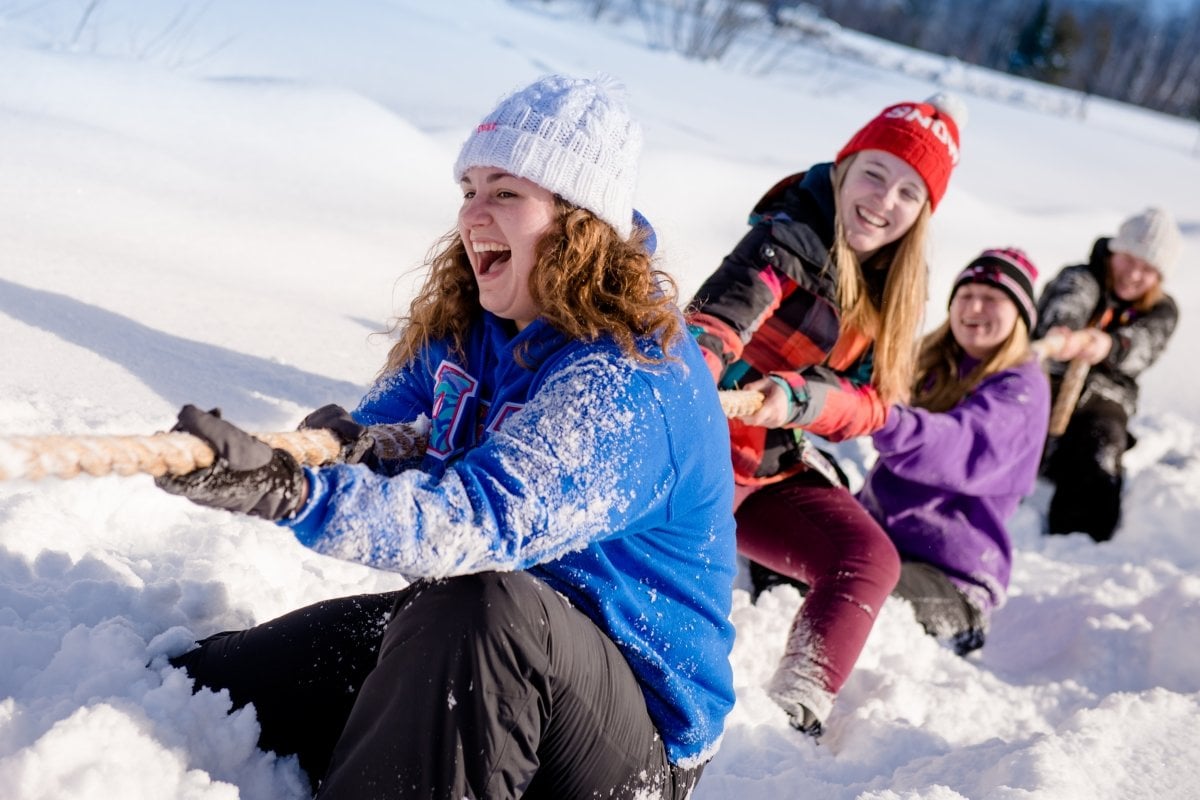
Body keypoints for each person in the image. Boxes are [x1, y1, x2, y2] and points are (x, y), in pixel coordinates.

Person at [156, 74, 737, 799]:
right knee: (207, 688)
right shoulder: (474, 321)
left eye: (506, 192)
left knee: (484, 606)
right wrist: (345, 450)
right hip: (477, 638)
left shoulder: (630, 377)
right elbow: (382, 432)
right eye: (468, 188)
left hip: (624, 734)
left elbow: (479, 523)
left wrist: (290, 493)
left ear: (577, 220)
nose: (473, 214)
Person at [687, 93, 965, 735]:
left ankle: (798, 701)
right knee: (679, 574)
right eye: (874, 173)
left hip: (769, 462)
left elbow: (874, 404)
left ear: (923, 212)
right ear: (843, 166)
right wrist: (697, 368)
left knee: (867, 558)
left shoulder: (892, 287)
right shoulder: (785, 239)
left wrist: (801, 397)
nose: (883, 201)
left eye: (907, 192)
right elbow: (717, 322)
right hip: (700, 450)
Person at [858, 248, 1050, 655]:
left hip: (950, 582)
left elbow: (960, 443)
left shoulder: (1022, 390)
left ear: (1020, 315)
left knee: (849, 593)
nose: (974, 307)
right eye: (965, 295)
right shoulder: (930, 363)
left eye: (992, 298)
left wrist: (885, 420)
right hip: (881, 542)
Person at [1035, 207, 1181, 542]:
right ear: (1114, 251)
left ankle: (1078, 539)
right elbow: (1068, 301)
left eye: (1147, 269)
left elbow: (1143, 344)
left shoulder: (1162, 310)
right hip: (1048, 379)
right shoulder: (1081, 277)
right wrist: (1065, 332)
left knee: (1100, 444)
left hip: (1106, 396)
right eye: (1129, 259)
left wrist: (1108, 345)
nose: (1133, 274)